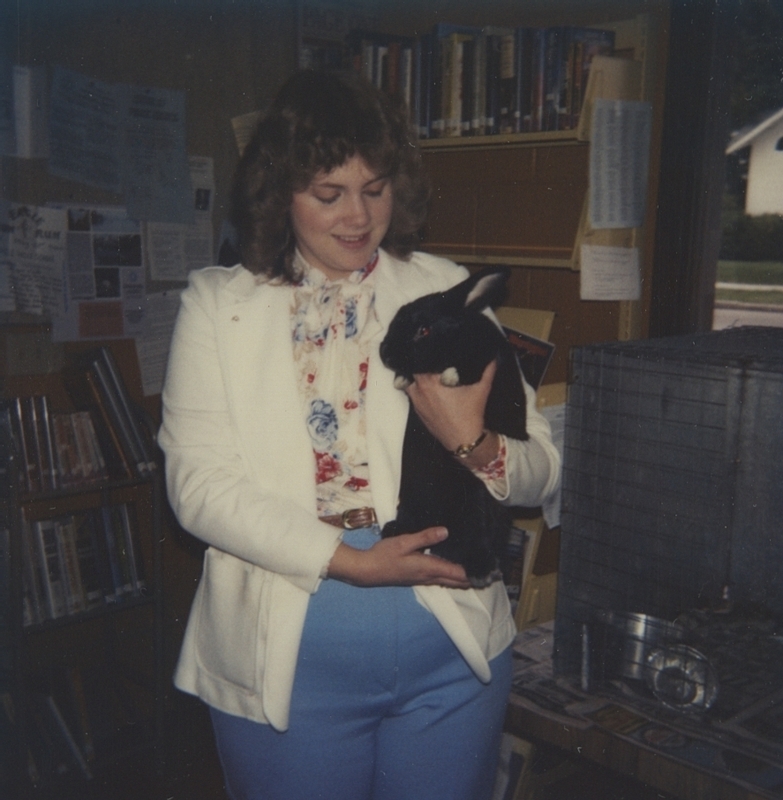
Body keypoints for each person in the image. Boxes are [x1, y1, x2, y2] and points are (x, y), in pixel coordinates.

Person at [158, 69, 560, 800]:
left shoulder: (441, 287)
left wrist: (474, 440)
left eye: (374, 190)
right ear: (281, 192)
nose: (357, 218)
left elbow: (542, 468)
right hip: (289, 671)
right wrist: (349, 561)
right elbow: (198, 489)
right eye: (328, 194)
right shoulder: (216, 307)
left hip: (455, 661)